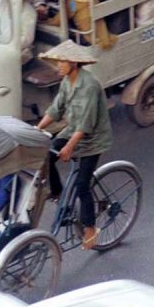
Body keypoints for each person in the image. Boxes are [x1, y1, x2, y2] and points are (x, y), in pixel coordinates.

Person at [36, 40, 113, 249]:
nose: (58, 65)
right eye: (58, 62)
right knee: (46, 155)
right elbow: (55, 110)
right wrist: (37, 130)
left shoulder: (88, 85)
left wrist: (69, 147)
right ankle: (58, 193)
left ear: (74, 64)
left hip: (92, 139)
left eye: (63, 62)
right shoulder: (66, 82)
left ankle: (90, 227)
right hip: (73, 131)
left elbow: (86, 124)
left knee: (81, 185)